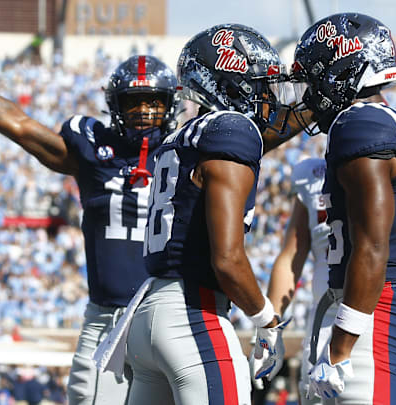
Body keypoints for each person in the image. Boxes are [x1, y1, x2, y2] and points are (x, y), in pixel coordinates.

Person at [0, 11, 179, 405]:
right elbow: (19, 126)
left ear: (171, 104)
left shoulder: (189, 151)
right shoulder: (93, 152)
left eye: (153, 102)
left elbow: (255, 142)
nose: (143, 112)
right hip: (108, 317)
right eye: (134, 102)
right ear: (114, 106)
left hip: (169, 315)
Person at [123, 23, 305, 404]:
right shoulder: (232, 128)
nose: (266, 94)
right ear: (229, 82)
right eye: (257, 83)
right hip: (193, 313)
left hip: (148, 314)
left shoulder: (180, 138)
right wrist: (267, 319)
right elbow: (227, 259)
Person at [289, 13, 396, 404]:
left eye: (315, 77)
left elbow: (373, 246)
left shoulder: (358, 125)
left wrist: (340, 348)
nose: (310, 92)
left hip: (380, 304)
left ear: (342, 73)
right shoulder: (395, 124)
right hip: (383, 300)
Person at [257, 154, 396, 403]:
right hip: (323, 323)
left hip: (375, 317)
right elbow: (291, 257)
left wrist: (376, 226)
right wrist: (270, 326)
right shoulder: (313, 173)